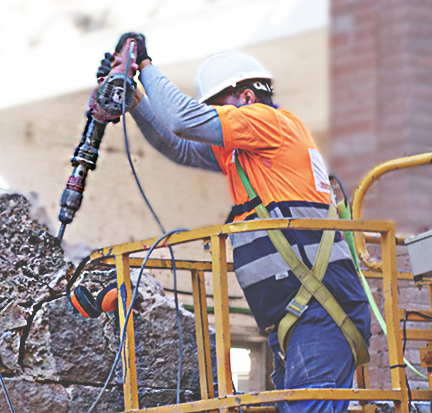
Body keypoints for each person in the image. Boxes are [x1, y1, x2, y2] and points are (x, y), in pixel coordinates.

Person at [98, 33, 371, 413]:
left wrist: (144, 66)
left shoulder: (270, 122)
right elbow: (179, 145)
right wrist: (137, 101)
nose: (213, 121)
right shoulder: (252, 152)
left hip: (321, 309)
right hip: (299, 311)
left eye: (216, 109)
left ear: (246, 98)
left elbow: (181, 121)